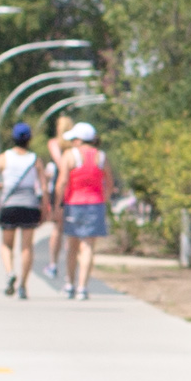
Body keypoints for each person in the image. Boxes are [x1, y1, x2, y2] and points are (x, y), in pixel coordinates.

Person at [55, 118, 118, 301]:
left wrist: (58, 203)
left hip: (74, 204)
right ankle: (83, 287)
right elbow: (110, 182)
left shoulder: (70, 155)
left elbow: (62, 181)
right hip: (95, 204)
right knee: (88, 246)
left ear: (79, 140)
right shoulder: (101, 156)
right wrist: (103, 200)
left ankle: (69, 284)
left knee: (72, 245)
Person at [0, 125, 50, 297]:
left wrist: (0, 186)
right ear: (30, 139)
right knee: (26, 247)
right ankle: (23, 285)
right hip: (29, 205)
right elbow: (43, 187)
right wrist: (45, 208)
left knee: (7, 244)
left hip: (9, 204)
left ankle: (10, 272)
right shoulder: (35, 159)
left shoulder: (4, 157)